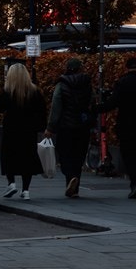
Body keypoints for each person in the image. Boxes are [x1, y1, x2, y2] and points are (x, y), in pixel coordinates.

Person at [97, 56, 136, 198]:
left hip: (125, 124)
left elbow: (112, 103)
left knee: (128, 154)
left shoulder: (122, 83)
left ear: (127, 68)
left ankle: (135, 181)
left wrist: (96, 108)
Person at [0, 62, 47, 199]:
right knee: (27, 158)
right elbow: (42, 111)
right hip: (29, 131)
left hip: (11, 130)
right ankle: (26, 190)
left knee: (9, 156)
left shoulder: (8, 92)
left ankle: (11, 183)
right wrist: (40, 127)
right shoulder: (34, 92)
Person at [44, 57, 95, 198]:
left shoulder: (62, 84)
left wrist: (50, 127)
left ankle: (71, 177)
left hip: (65, 126)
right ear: (80, 68)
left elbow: (56, 107)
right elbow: (92, 103)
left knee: (65, 155)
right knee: (79, 156)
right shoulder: (87, 83)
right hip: (83, 126)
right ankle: (75, 188)